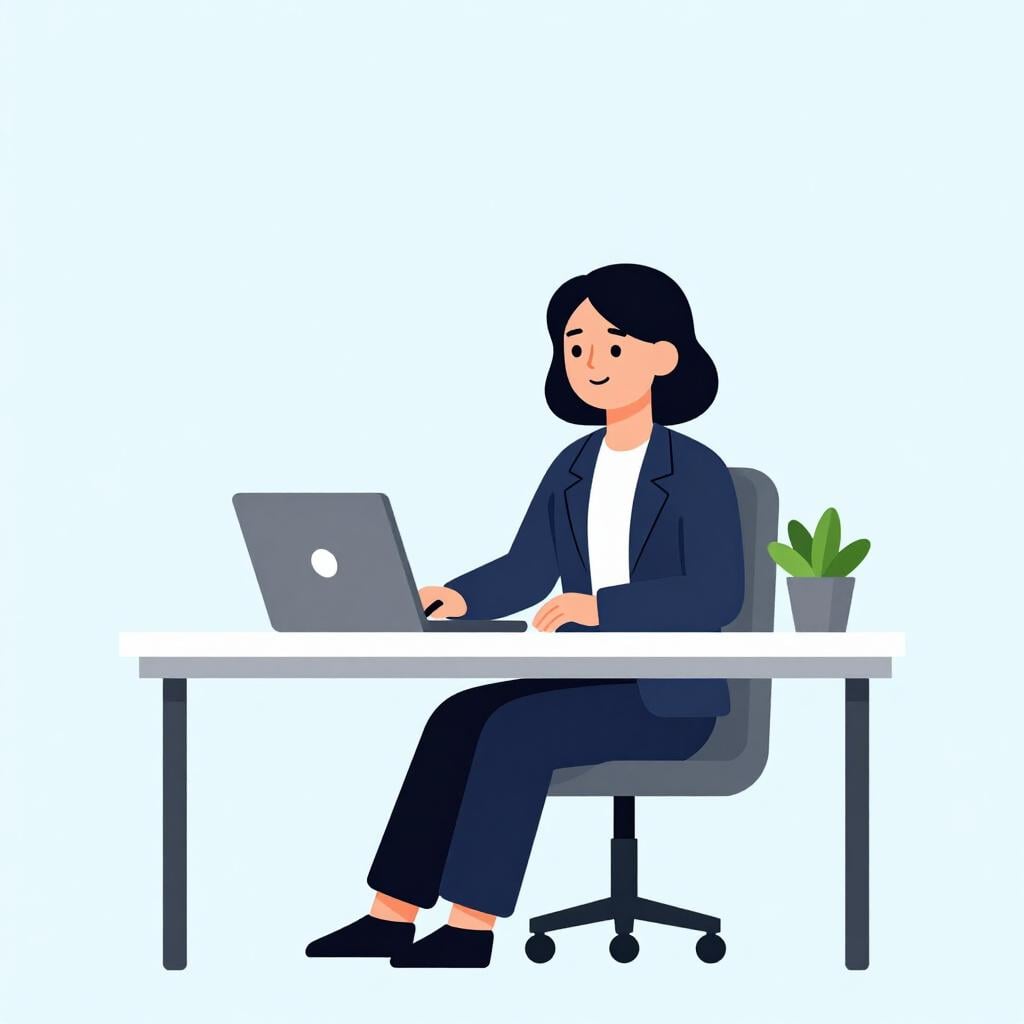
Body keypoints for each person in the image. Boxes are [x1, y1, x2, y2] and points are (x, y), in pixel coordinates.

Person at [305, 263, 745, 968]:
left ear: (664, 357)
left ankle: (469, 929)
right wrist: (458, 597)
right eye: (575, 346)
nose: (590, 362)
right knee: (457, 717)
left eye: (612, 343)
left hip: (671, 698)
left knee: (514, 730)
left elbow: (719, 594)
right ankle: (390, 916)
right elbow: (527, 568)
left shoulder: (696, 471)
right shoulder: (572, 466)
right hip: (588, 679)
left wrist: (603, 608)